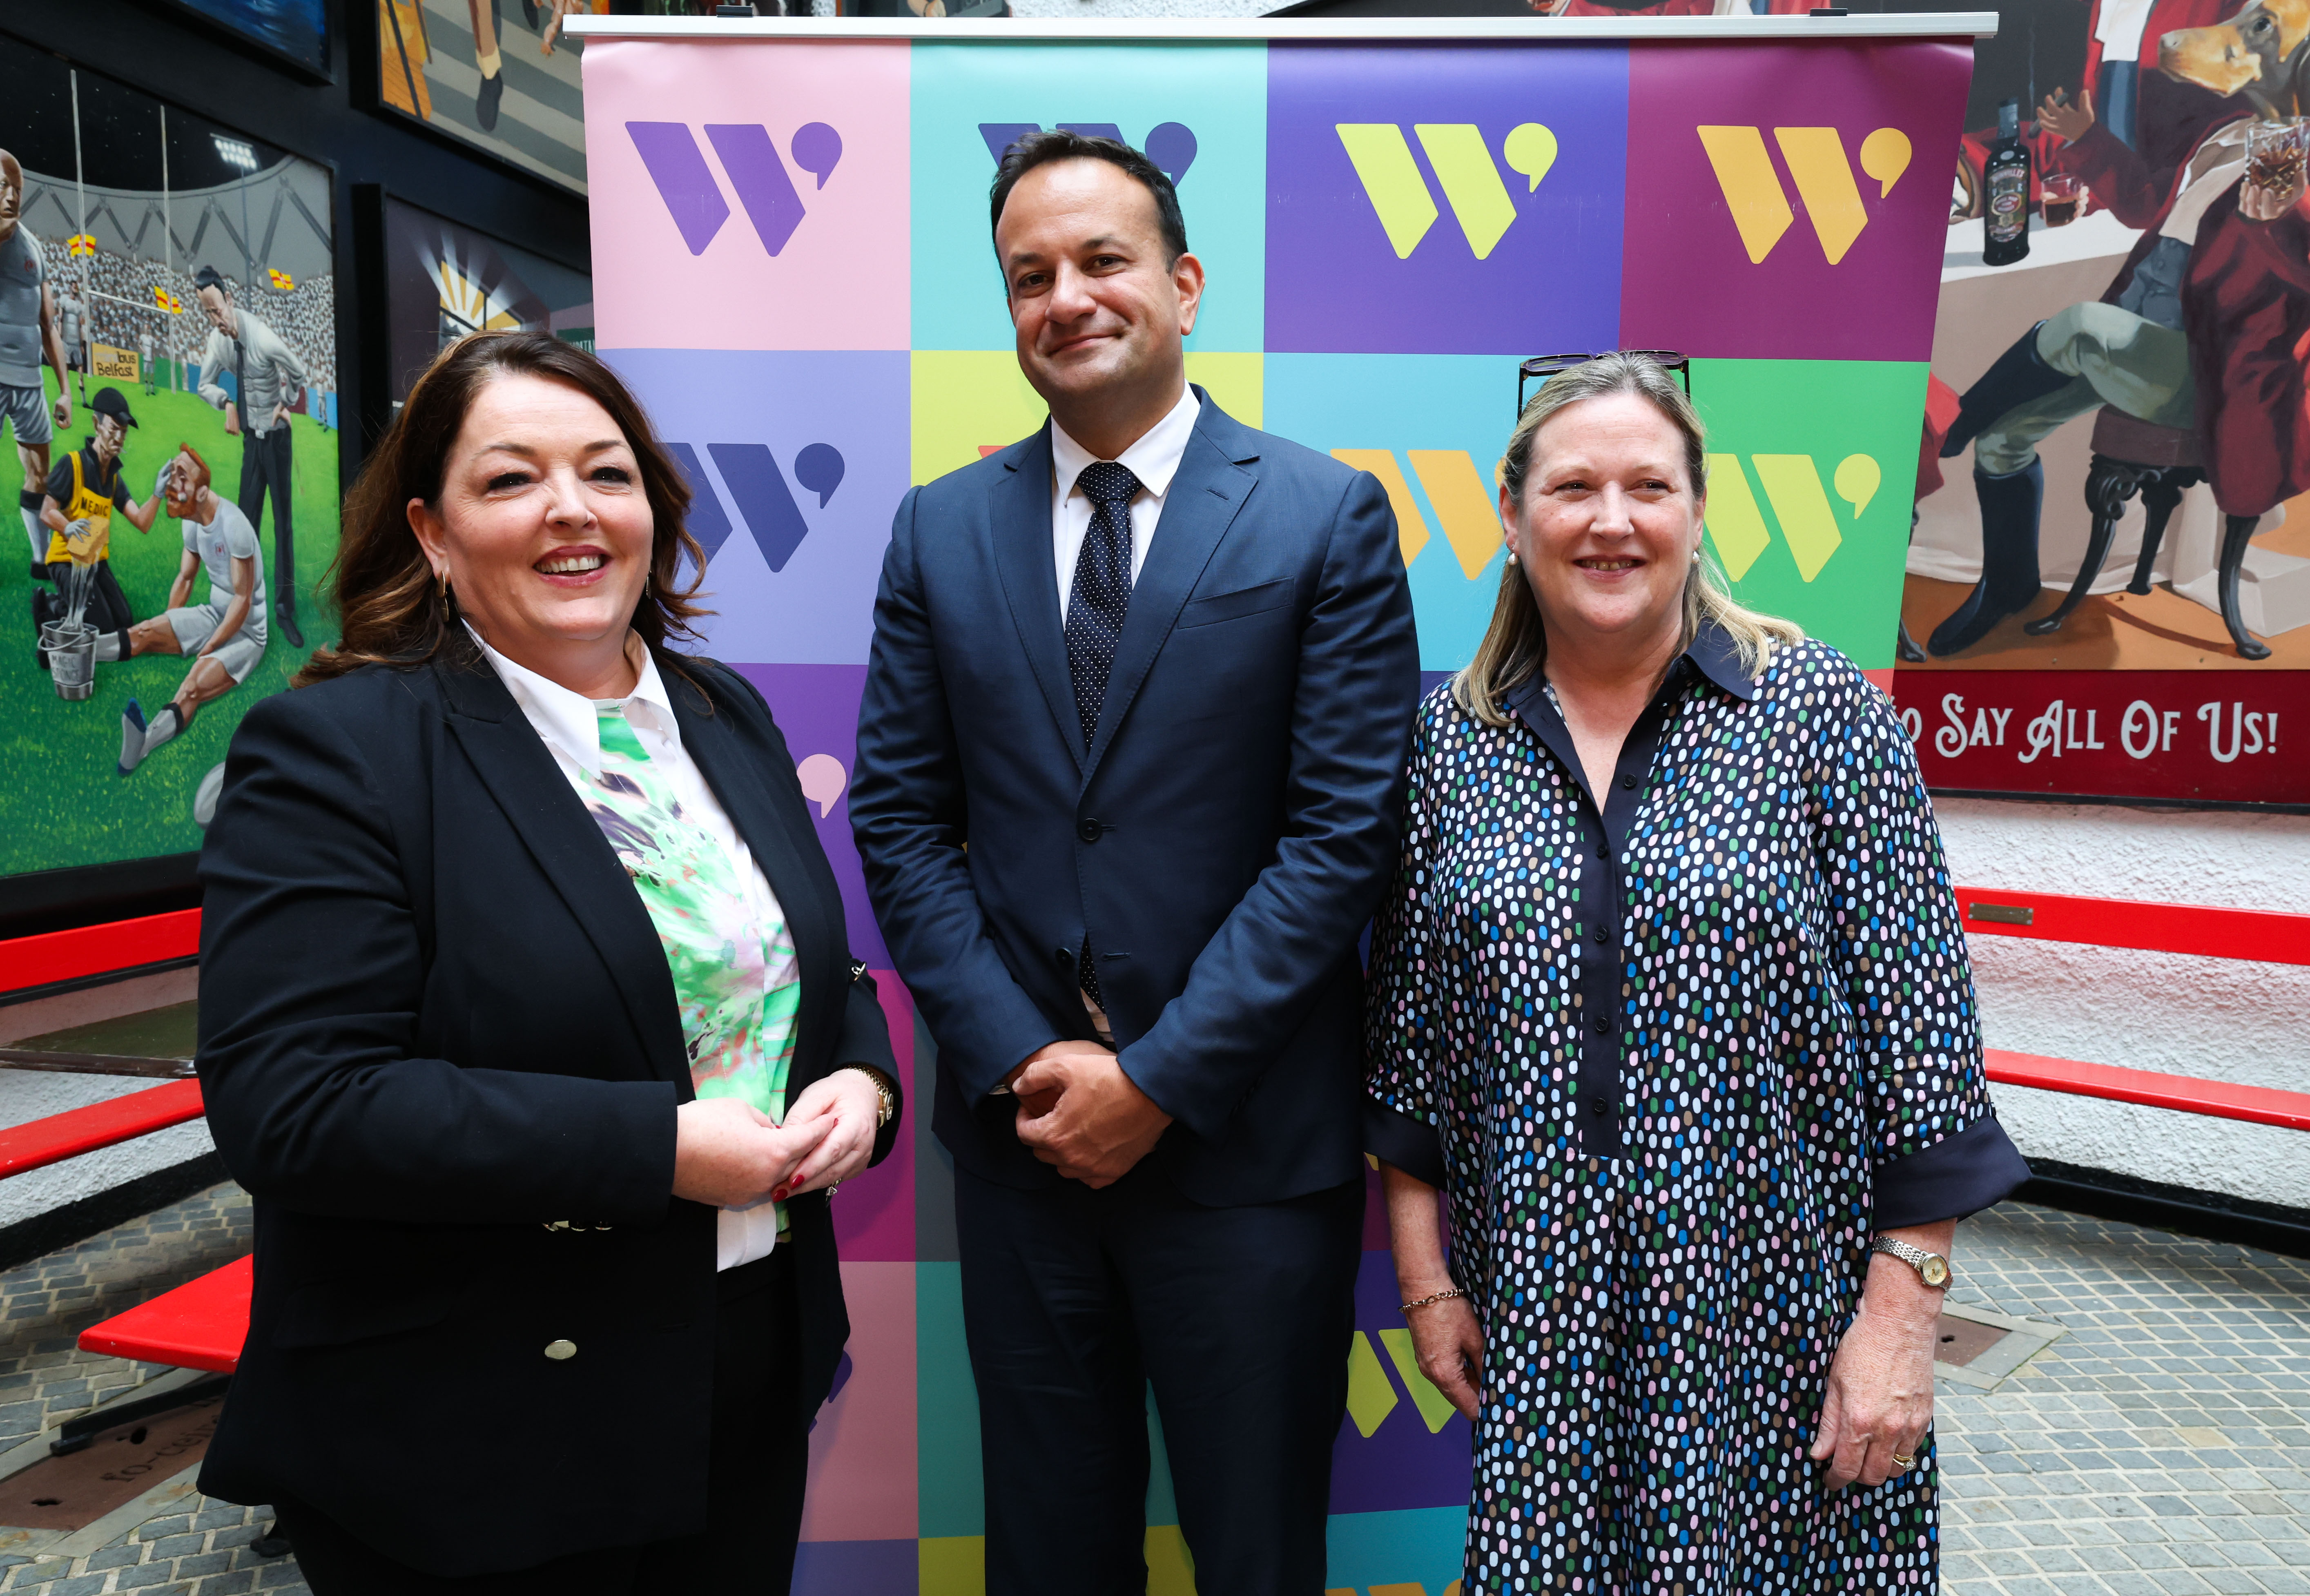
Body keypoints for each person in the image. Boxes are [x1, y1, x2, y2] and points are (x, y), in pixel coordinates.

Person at [195, 330, 902, 1595]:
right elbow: (294, 1106)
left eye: (606, 472)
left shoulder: (723, 714)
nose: (571, 510)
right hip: (478, 1418)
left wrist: (863, 1081)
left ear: (653, 509)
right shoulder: (338, 751)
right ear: (431, 531)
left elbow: (801, 974)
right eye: (511, 478)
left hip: (742, 1361)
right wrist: (661, 1150)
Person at [851, 130, 1421, 1596]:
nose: (1067, 297)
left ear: (1181, 282)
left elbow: (1340, 837)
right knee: (1048, 1555)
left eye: (1101, 260)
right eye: (1030, 274)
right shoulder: (938, 528)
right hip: (1024, 1146)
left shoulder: (1323, 515)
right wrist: (1025, 1057)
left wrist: (1159, 1080)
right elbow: (902, 822)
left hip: (1243, 1155)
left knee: (1253, 1551)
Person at [1367, 353, 2030, 1593]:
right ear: (1509, 519)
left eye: (1645, 487)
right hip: (1546, 1331)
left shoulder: (1818, 712)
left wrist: (1899, 1321)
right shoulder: (1449, 742)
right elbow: (1412, 1036)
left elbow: (1925, 1043)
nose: (1609, 521)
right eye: (1570, 488)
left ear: (1696, 509)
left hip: (1775, 1321)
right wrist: (1425, 1281)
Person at [116, 444, 265, 775]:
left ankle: (143, 745)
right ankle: (83, 652)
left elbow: (242, 601)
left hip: (247, 633)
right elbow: (185, 578)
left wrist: (211, 645)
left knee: (193, 685)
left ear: (202, 492)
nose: (172, 483)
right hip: (215, 614)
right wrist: (170, 623)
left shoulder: (235, 526)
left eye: (181, 476)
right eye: (172, 473)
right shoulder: (191, 524)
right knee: (144, 631)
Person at [193, 262, 309, 647]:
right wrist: (226, 401)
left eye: (217, 309)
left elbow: (299, 371)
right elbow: (204, 384)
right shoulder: (218, 341)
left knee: (283, 526)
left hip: (276, 440)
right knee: (245, 525)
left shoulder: (261, 336)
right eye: (207, 312)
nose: (215, 319)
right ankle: (242, 605)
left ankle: (285, 610)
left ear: (229, 299)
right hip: (251, 441)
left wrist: (287, 403)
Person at [34, 386, 158, 661]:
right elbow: (46, 512)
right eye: (114, 428)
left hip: (96, 562)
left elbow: (142, 521)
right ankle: (53, 609)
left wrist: (158, 493)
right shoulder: (73, 464)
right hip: (67, 561)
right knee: (100, 627)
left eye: (124, 432)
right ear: (96, 424)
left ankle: (68, 608)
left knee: (124, 621)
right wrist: (67, 527)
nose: (119, 437)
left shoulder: (113, 477)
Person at [0, 150, 74, 569]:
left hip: (29, 380)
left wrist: (64, 392)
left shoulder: (34, 250)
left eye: (18, 190)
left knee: (40, 474)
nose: (12, 197)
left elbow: (49, 327)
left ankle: (40, 557)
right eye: (2, 187)